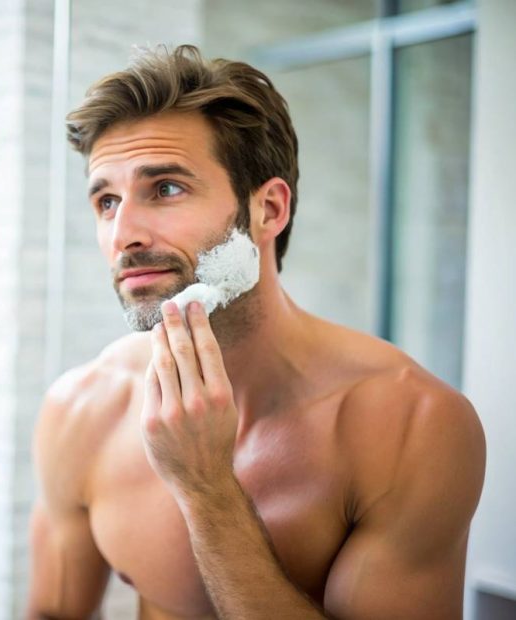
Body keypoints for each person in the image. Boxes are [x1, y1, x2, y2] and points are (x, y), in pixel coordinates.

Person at [28, 45, 486, 620]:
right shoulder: (80, 408)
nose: (123, 232)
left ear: (268, 209)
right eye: (106, 200)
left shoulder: (411, 425)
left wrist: (206, 490)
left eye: (165, 188)